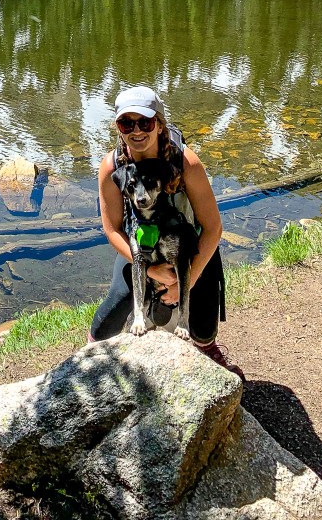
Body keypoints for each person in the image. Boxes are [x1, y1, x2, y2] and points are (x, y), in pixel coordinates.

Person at [90, 84, 243, 379]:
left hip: (191, 248)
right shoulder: (112, 167)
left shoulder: (187, 163)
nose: (136, 131)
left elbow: (213, 228)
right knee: (112, 314)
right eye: (126, 123)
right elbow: (112, 230)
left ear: (159, 124)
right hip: (140, 248)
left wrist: (184, 282)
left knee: (203, 324)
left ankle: (208, 352)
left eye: (145, 122)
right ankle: (92, 361)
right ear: (118, 128)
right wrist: (149, 272)